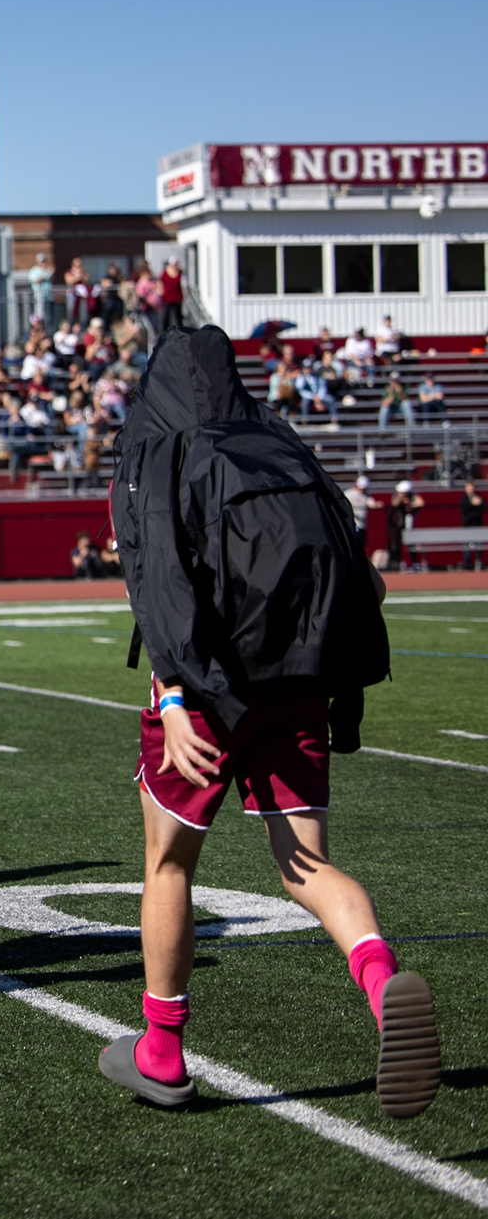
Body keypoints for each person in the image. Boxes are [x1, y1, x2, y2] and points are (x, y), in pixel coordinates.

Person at [102, 324, 437, 1120]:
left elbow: (158, 584)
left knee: (170, 863)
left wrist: (179, 693)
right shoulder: (282, 444)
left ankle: (162, 1046)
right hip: (299, 682)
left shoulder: (159, 450)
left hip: (208, 689)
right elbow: (367, 583)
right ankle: (383, 980)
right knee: (306, 865)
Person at [387, 481, 425, 572]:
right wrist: (400, 499)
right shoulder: (397, 496)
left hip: (409, 525)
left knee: (411, 545)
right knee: (397, 544)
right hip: (398, 524)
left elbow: (421, 502)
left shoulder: (413, 496)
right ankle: (398, 562)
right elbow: (394, 503)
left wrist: (410, 505)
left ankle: (414, 563)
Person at [460, 482, 484, 571]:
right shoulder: (464, 499)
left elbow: (484, 508)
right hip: (467, 526)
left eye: (472, 488)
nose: (471, 489)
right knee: (467, 547)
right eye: (469, 488)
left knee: (479, 546)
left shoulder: (479, 498)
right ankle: (467, 564)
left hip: (478, 526)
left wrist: (480, 503)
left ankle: (478, 562)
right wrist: (472, 504)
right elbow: (464, 510)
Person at [27, 253, 53, 324]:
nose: (43, 263)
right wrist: (44, 275)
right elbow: (36, 281)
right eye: (41, 261)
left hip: (48, 296)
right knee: (40, 314)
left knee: (49, 316)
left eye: (44, 261)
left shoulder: (47, 270)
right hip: (39, 295)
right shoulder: (34, 270)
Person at [159, 260, 184, 329]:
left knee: (178, 316)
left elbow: (182, 283)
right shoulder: (166, 272)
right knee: (166, 316)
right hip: (167, 297)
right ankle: (164, 332)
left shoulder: (179, 273)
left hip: (177, 298)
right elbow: (160, 282)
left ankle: (180, 331)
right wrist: (160, 291)